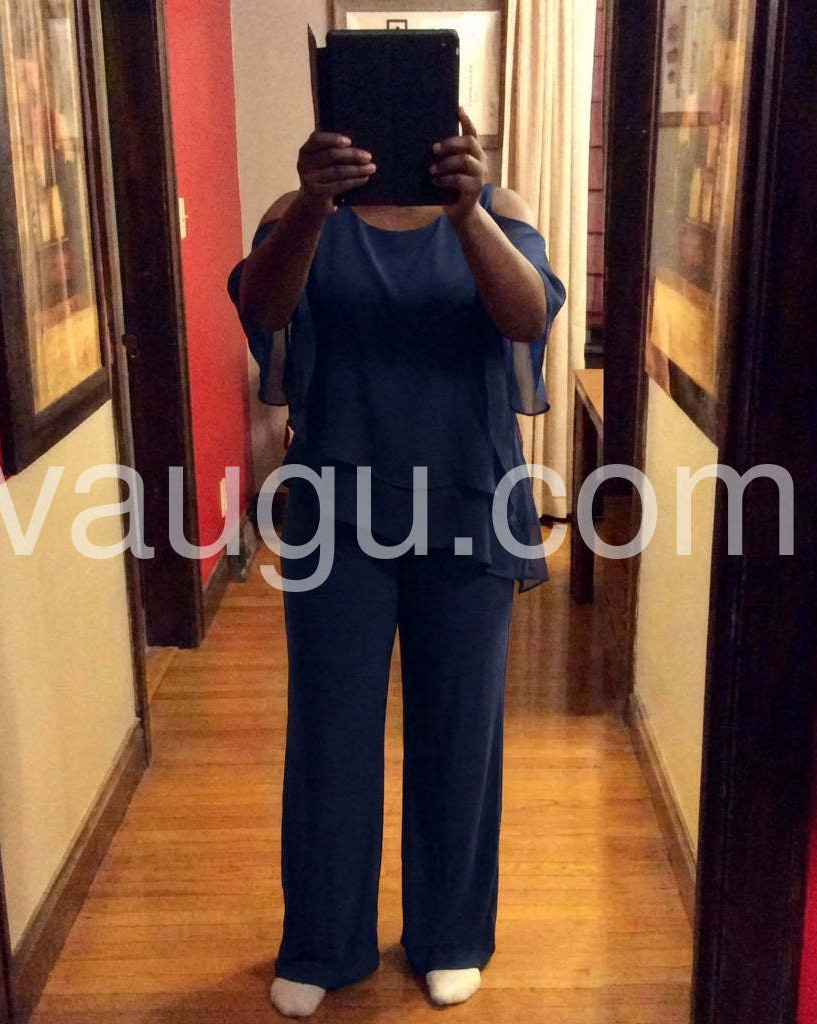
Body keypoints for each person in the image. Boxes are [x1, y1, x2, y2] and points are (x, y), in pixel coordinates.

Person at [227, 106, 565, 1018]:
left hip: (468, 499)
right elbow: (262, 310)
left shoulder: (501, 209)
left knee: (461, 730)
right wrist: (312, 203)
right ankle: (322, 941)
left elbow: (528, 316)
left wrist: (466, 211)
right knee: (329, 733)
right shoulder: (296, 211)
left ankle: (450, 934)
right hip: (338, 510)